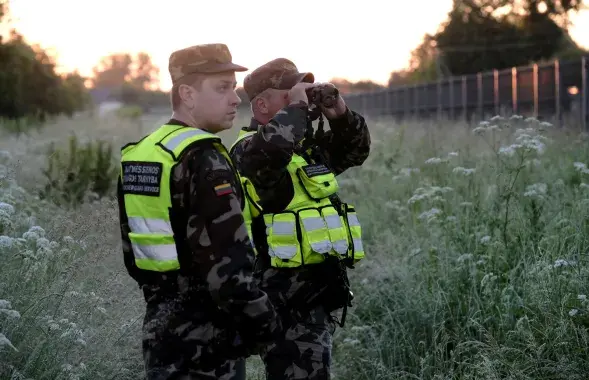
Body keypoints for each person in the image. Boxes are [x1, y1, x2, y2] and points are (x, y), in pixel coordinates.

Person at [116, 43, 282, 380]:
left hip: (160, 328)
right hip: (209, 342)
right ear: (187, 94)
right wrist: (268, 323)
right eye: (222, 88)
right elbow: (230, 270)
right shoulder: (204, 158)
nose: (236, 99)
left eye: (234, 88)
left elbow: (132, 249)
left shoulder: (143, 153)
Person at [229, 58, 371, 380]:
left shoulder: (302, 151)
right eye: (290, 95)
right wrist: (297, 108)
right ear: (262, 104)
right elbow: (271, 150)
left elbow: (356, 151)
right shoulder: (249, 150)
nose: (303, 101)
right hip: (283, 304)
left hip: (313, 297)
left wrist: (340, 114)